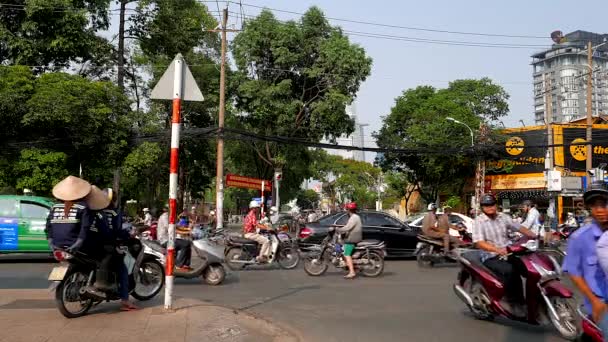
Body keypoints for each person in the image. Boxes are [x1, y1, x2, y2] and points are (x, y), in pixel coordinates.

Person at [472, 193, 537, 315]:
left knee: (529, 268)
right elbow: (479, 242)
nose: (490, 207)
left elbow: (519, 227)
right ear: (482, 207)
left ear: (496, 205)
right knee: (510, 271)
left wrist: (535, 235)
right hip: (490, 255)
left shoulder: (503, 217)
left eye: (492, 204)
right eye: (486, 205)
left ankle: (535, 299)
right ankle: (513, 302)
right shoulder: (479, 221)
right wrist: (496, 250)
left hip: (508, 252)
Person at [564, 181, 608, 333]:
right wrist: (595, 301)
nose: (600, 210)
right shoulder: (579, 238)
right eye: (595, 206)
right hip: (601, 302)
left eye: (604, 204)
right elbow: (574, 273)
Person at [86, 186, 138, 311]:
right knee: (123, 268)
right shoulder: (114, 212)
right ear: (113, 200)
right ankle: (125, 301)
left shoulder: (90, 209)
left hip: (87, 244)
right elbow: (116, 231)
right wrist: (128, 235)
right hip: (106, 245)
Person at [45, 176, 93, 257]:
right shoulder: (83, 207)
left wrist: (51, 243)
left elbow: (48, 226)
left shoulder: (54, 206)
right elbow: (85, 227)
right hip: (75, 246)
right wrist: (78, 244)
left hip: (56, 245)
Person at [157, 204, 192, 271]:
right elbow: (171, 229)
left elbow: (177, 227)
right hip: (165, 240)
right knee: (186, 244)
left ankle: (186, 265)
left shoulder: (170, 216)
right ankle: (179, 265)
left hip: (170, 238)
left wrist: (187, 230)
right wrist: (185, 232)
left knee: (188, 243)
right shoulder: (165, 217)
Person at [335, 202, 362, 279]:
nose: (346, 211)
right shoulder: (355, 217)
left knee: (347, 254)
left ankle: (352, 272)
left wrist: (338, 230)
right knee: (343, 248)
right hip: (354, 236)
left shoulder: (354, 217)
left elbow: (348, 227)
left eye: (347, 209)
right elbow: (348, 226)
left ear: (348, 210)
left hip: (352, 238)